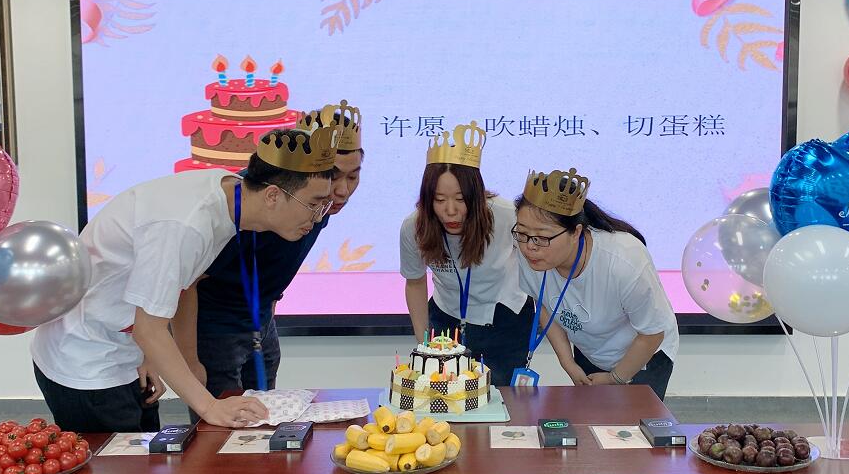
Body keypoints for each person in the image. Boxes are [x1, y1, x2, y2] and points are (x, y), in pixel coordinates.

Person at [30, 123, 340, 432]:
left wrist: (159, 359)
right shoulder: (186, 224)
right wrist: (209, 406)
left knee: (148, 457)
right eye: (314, 204)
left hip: (125, 351)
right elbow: (149, 329)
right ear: (272, 195)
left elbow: (181, 285)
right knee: (119, 462)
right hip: (86, 360)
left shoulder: (228, 196)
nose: (318, 216)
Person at [193, 102, 364, 397]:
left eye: (353, 176)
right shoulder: (249, 202)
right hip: (215, 326)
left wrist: (270, 304)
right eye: (334, 176)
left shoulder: (322, 202)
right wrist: (189, 359)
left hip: (261, 319)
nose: (342, 191)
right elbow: (188, 285)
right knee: (223, 417)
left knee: (265, 412)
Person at [512, 166, 679, 399]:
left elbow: (652, 333)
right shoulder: (529, 253)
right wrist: (568, 362)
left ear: (576, 232)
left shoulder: (624, 262)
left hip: (644, 355)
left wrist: (615, 378)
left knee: (633, 421)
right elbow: (544, 305)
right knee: (591, 417)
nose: (530, 246)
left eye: (542, 236)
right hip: (590, 349)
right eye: (522, 233)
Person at [399, 121, 534, 383]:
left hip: (504, 317)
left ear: (476, 194)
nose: (450, 211)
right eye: (439, 200)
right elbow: (415, 282)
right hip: (446, 317)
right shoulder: (414, 227)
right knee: (445, 395)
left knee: (501, 396)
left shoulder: (507, 216)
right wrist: (423, 342)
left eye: (461, 199)